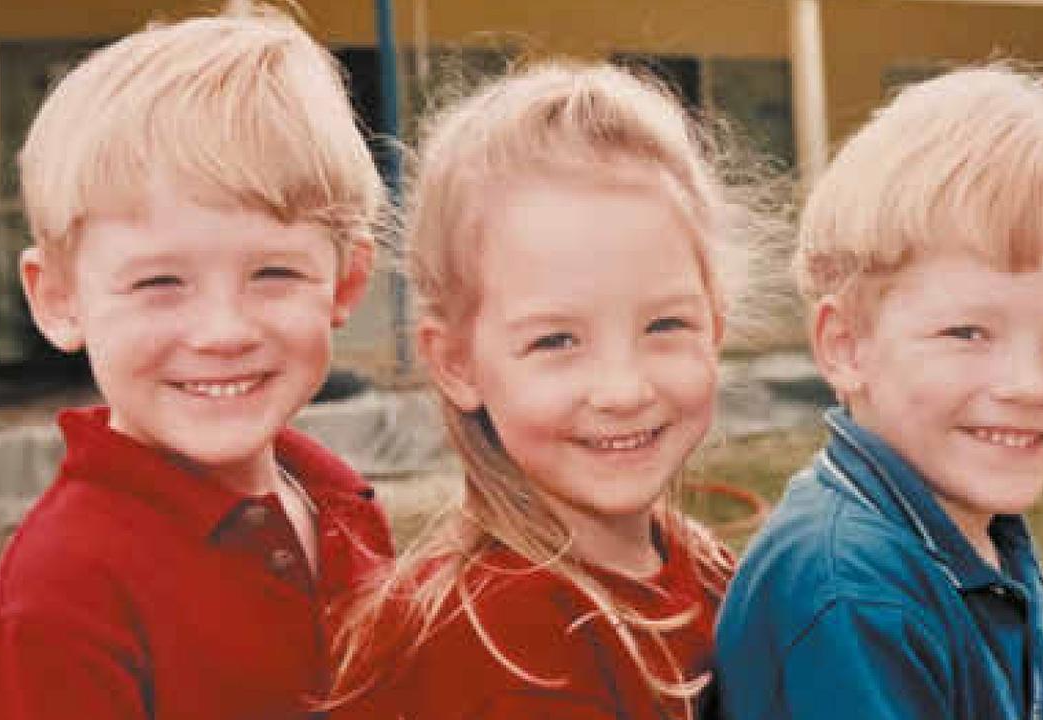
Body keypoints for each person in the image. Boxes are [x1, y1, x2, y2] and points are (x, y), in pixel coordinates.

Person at [0, 4, 394, 718]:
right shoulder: (59, 601)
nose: (222, 331)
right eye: (160, 283)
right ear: (59, 298)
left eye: (273, 274)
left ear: (344, 283)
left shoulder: (345, 510)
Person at [329, 60, 778, 720]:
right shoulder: (482, 639)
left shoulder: (708, 571)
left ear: (714, 326)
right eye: (556, 341)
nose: (623, 389)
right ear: (456, 363)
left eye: (664, 324)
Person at [714, 65, 1043, 719]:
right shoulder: (854, 593)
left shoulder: (960, 531)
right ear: (847, 346)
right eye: (968, 333)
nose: (1027, 385)